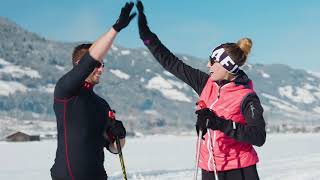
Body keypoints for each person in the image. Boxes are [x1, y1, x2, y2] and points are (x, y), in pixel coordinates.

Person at [136, 1, 266, 180]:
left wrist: (219, 123)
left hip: (240, 170)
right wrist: (147, 36)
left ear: (225, 66)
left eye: (212, 61)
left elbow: (258, 136)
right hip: (209, 168)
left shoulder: (247, 97)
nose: (208, 65)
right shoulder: (205, 83)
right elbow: (172, 63)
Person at [50, 2, 136, 180]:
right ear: (79, 65)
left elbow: (114, 149)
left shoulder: (102, 104)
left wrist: (119, 135)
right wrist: (115, 29)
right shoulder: (66, 91)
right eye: (97, 64)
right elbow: (90, 59)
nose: (101, 68)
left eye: (103, 65)